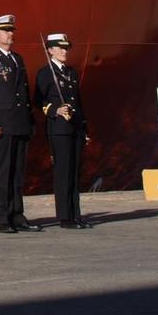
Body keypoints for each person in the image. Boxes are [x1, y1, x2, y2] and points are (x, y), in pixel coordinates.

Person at [0, 13, 38, 233]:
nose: (11, 34)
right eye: (6, 31)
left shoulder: (17, 59)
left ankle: (17, 213)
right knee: (2, 172)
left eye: (12, 30)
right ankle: (2, 218)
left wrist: (30, 121)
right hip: (2, 123)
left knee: (18, 171)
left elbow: (24, 93)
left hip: (19, 123)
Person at [35, 32, 91, 229]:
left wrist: (84, 128)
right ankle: (65, 217)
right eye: (60, 47)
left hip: (74, 127)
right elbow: (39, 100)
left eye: (66, 47)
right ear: (50, 50)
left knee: (74, 172)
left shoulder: (71, 73)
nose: (64, 51)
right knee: (63, 172)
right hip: (59, 129)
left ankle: (76, 214)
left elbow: (79, 102)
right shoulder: (45, 73)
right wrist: (54, 110)